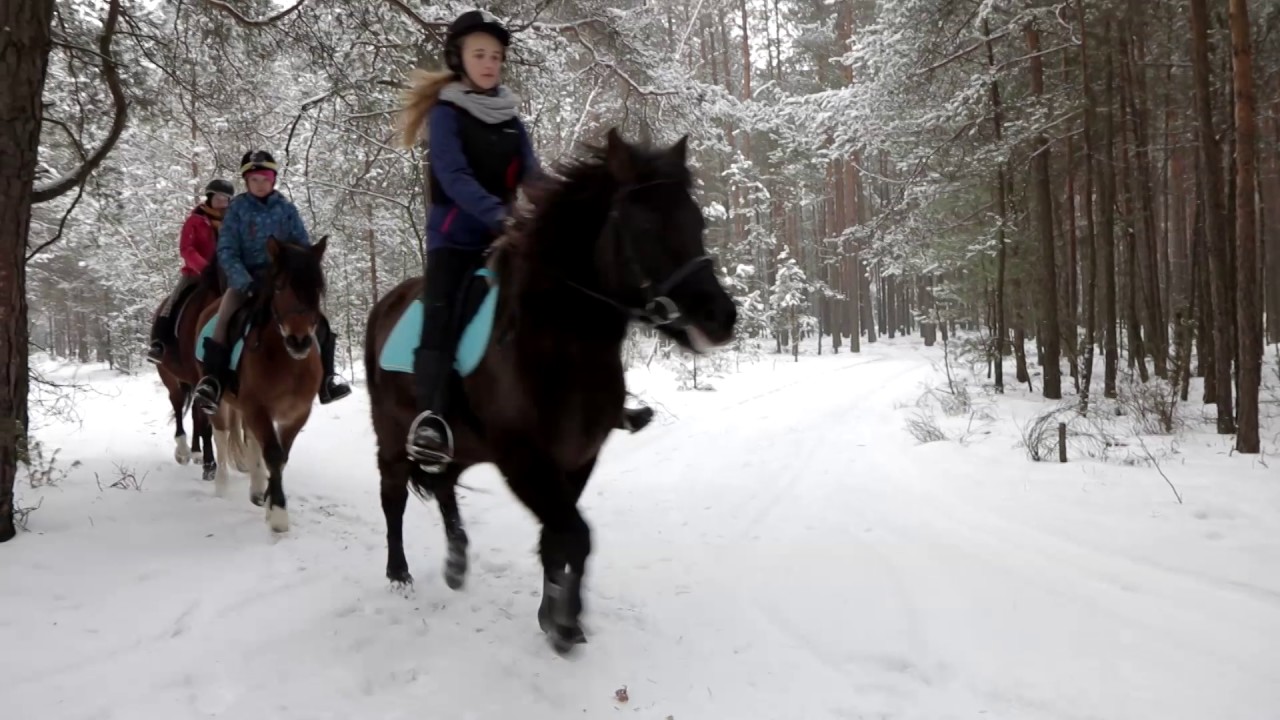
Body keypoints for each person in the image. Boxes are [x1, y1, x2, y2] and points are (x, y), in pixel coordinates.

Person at [396, 9, 653, 471]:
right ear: (459, 59)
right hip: (455, 240)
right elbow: (453, 177)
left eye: (496, 56)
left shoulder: (511, 119)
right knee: (442, 313)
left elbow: (533, 176)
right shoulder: (446, 115)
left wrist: (553, 209)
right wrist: (499, 214)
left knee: (569, 293)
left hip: (507, 233)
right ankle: (432, 417)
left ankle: (601, 395)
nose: (490, 63)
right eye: (480, 54)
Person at [191, 150, 351, 413]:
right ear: (247, 182)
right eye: (254, 180)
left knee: (319, 321)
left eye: (264, 179)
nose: (260, 184)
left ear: (273, 179)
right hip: (248, 281)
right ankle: (212, 382)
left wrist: (303, 269)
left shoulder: (286, 209)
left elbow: (300, 243)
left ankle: (328, 380)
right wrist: (242, 280)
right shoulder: (237, 210)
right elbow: (227, 251)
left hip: (284, 282)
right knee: (222, 321)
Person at [147, 179, 234, 364]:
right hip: (196, 274)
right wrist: (204, 268)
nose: (222, 202)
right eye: (219, 198)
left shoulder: (232, 223)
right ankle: (159, 342)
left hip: (226, 274)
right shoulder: (195, 221)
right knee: (174, 302)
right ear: (210, 198)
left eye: (226, 199)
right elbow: (187, 249)